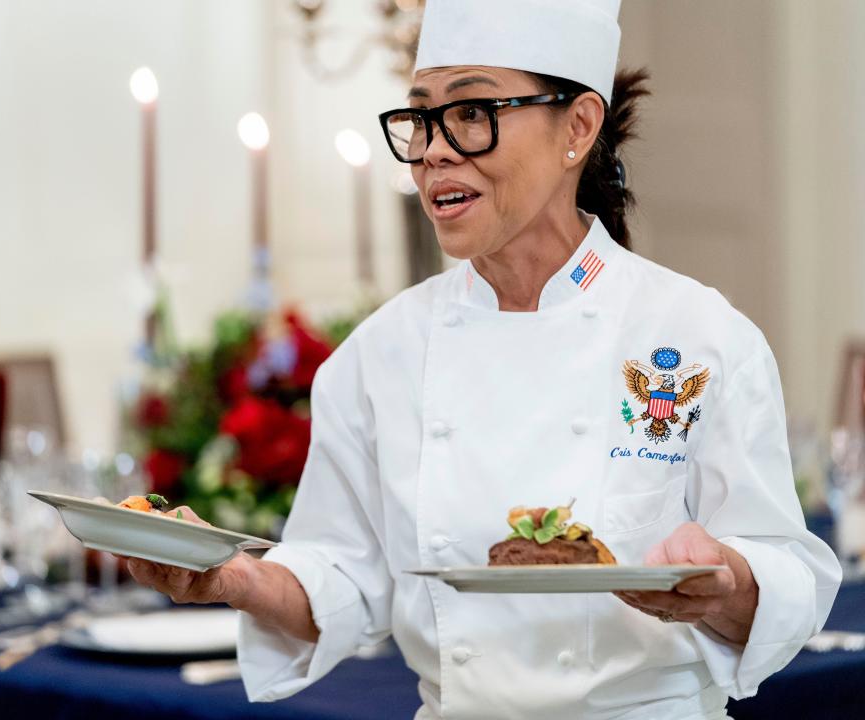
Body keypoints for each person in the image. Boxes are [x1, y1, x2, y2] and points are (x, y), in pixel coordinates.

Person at [127, 1, 841, 717]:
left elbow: (788, 579)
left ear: (579, 128)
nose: (434, 150)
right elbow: (341, 573)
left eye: (472, 113)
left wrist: (729, 582)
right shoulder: (380, 355)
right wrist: (234, 579)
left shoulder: (700, 335)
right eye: (421, 118)